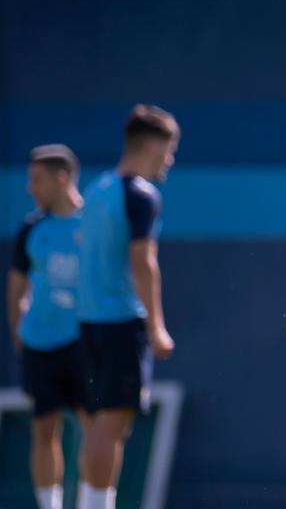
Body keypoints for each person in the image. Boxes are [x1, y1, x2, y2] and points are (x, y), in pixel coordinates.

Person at [77, 105, 179, 509]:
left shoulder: (95, 190)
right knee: (112, 423)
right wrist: (156, 326)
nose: (170, 159)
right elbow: (143, 261)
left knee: (98, 426)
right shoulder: (142, 195)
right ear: (153, 144)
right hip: (121, 323)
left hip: (87, 325)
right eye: (169, 149)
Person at [6, 144, 89, 509]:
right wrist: (19, 333)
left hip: (85, 345)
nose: (30, 188)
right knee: (44, 429)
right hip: (41, 346)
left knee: (95, 427)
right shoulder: (31, 229)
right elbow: (16, 288)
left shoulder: (95, 225)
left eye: (36, 180)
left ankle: (95, 502)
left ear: (62, 178)